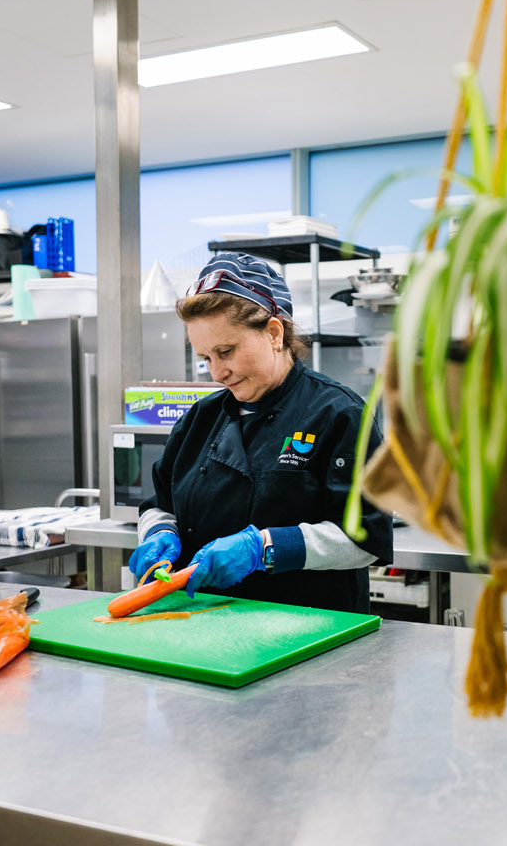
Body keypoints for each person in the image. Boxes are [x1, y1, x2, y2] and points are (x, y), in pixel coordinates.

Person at [129, 251, 393, 613]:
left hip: (308, 629)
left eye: (226, 351)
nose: (217, 373)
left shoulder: (339, 414)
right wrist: (158, 532)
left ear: (273, 333)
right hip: (205, 621)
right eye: (206, 358)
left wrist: (265, 547)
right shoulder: (200, 418)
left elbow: (366, 539)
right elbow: (160, 504)